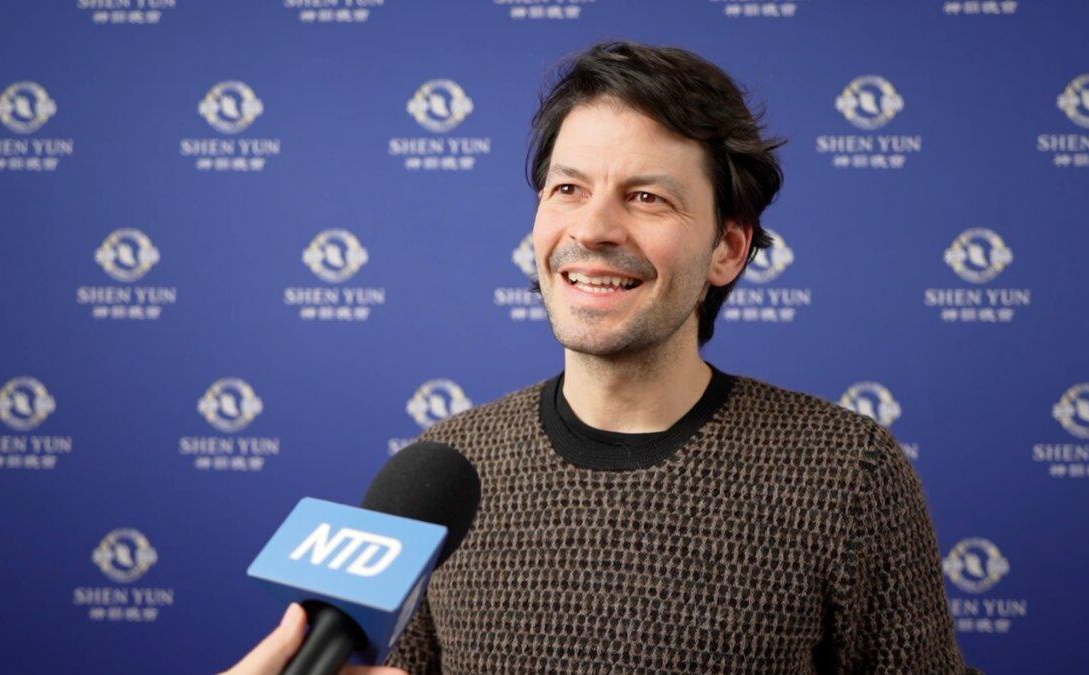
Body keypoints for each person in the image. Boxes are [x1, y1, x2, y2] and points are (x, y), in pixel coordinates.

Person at [224, 41, 972, 674]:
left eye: (646, 197)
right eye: (568, 188)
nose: (593, 227)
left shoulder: (847, 472)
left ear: (728, 248)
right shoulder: (444, 469)